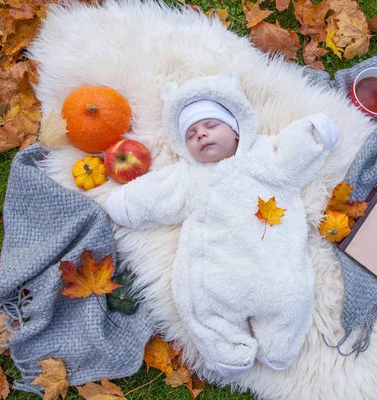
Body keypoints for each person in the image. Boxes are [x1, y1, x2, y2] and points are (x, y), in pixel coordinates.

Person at [103, 71, 339, 377]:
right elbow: (155, 196)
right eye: (190, 134)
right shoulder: (189, 177)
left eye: (211, 125)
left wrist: (315, 133)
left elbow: (296, 151)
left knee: (291, 299)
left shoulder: (267, 156)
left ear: (238, 130)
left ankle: (281, 344)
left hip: (276, 270)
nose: (201, 134)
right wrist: (123, 204)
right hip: (217, 275)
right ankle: (226, 350)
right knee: (200, 305)